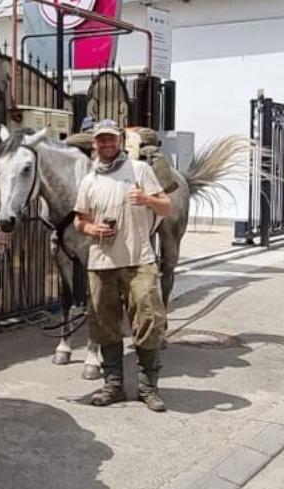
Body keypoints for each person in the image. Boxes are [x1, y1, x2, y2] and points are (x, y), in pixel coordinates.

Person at [73, 119, 174, 412]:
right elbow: (80, 219)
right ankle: (113, 385)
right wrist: (91, 229)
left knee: (148, 321)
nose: (106, 144)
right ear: (95, 144)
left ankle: (148, 389)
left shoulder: (140, 170)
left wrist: (146, 199)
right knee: (104, 324)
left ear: (119, 140)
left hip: (139, 260)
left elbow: (167, 207)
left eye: (111, 139)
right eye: (101, 140)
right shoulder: (89, 179)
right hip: (102, 261)